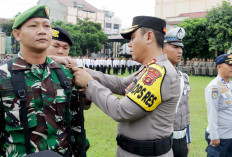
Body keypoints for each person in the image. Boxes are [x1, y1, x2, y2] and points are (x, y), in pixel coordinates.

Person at [72, 16, 180, 157]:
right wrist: (80, 69)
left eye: (133, 38)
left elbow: (121, 110)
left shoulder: (158, 72)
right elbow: (120, 84)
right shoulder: (149, 68)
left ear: (148, 37)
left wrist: (90, 84)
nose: (129, 44)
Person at [0, 5, 88, 157]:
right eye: (33, 26)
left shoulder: (65, 75)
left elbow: (76, 124)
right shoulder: (3, 76)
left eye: (46, 26)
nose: (42, 31)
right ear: (17, 34)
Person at [163, 27, 191, 157]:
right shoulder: (158, 76)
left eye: (180, 47)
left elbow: (185, 109)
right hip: (163, 138)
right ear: (163, 48)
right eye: (174, 47)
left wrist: (187, 139)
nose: (179, 51)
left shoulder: (183, 77)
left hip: (181, 137)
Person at [205, 54, 232, 157]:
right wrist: (214, 135)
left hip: (229, 135)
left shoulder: (229, 85)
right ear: (219, 66)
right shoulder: (214, 86)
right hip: (220, 137)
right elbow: (212, 112)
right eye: (229, 65)